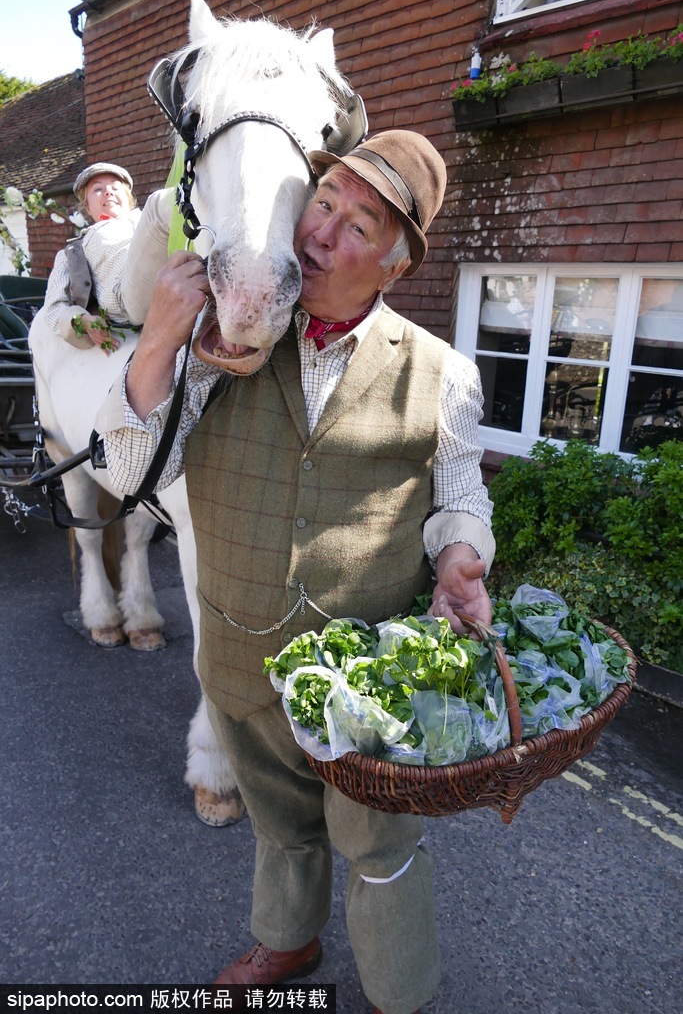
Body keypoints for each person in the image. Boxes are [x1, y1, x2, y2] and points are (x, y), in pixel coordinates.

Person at [98, 130, 495, 1014]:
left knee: (379, 846)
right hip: (238, 655)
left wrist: (462, 553)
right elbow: (127, 476)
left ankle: (401, 993)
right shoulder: (225, 336)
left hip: (364, 680)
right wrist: (159, 342)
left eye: (359, 225)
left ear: (395, 266)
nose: (321, 234)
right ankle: (288, 941)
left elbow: (459, 490)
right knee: (279, 826)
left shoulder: (444, 374)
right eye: (323, 203)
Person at [39, 162, 141, 353]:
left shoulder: (150, 224)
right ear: (86, 207)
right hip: (126, 310)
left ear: (130, 199)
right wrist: (83, 321)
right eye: (98, 189)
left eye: (115, 187)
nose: (108, 192)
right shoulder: (72, 253)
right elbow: (53, 308)